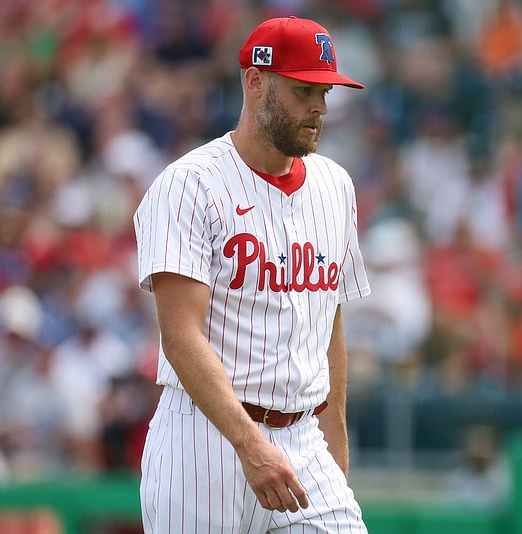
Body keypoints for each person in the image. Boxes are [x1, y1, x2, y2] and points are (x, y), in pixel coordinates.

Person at [133, 16, 371, 534]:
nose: (319, 107)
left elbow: (327, 325)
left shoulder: (336, 186)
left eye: (325, 91)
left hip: (303, 436)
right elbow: (180, 336)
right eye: (303, 89)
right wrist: (248, 443)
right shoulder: (190, 185)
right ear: (256, 81)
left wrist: (335, 455)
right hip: (205, 440)